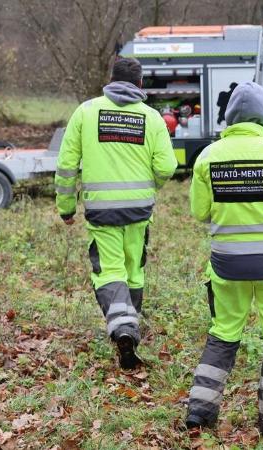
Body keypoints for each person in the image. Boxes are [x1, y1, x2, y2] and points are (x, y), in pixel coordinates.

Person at [184, 81, 263, 437]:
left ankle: (199, 412)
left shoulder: (207, 157)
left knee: (223, 334)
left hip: (226, 267)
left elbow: (199, 212)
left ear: (229, 118)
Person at [55, 57, 177, 369]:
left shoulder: (86, 112)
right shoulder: (151, 118)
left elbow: (66, 165)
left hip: (101, 211)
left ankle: (124, 328)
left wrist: (66, 207)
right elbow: (167, 166)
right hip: (139, 209)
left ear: (110, 80)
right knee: (133, 270)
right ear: (140, 84)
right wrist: (150, 186)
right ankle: (130, 323)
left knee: (110, 271)